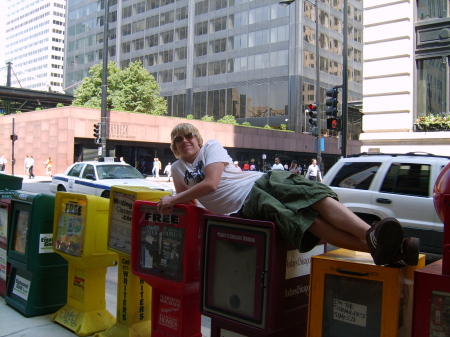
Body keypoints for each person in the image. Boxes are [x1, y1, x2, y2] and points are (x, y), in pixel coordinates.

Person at [156, 123, 419, 267]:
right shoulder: (179, 169)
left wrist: (171, 200)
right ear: (175, 146)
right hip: (247, 206)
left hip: (262, 182)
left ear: (198, 139)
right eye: (178, 139)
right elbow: (190, 203)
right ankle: (390, 250)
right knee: (308, 224)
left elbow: (211, 184)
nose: (185, 140)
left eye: (189, 135)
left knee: (314, 197)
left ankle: (373, 238)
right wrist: (176, 205)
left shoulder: (210, 147)